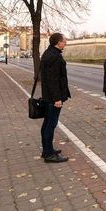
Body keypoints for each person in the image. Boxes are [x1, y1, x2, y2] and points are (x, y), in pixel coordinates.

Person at [40, 33, 71, 163]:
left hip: (48, 96)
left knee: (47, 123)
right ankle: (49, 154)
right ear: (58, 43)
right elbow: (53, 80)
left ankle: (47, 149)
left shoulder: (48, 53)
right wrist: (57, 99)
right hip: (53, 98)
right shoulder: (54, 57)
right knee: (50, 124)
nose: (66, 43)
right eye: (64, 41)